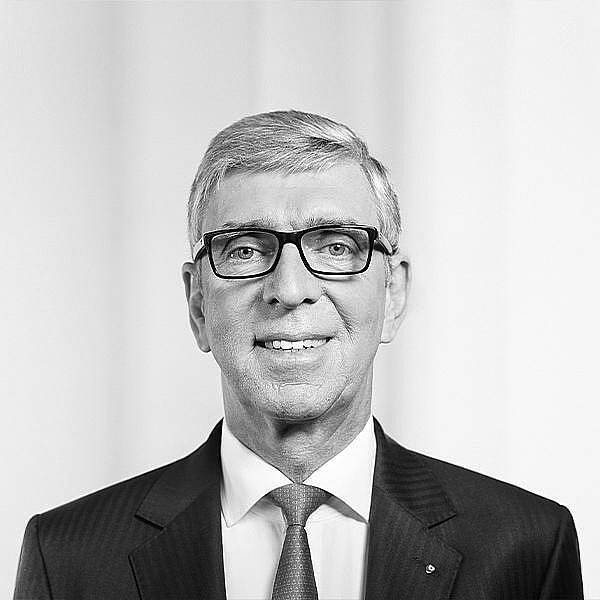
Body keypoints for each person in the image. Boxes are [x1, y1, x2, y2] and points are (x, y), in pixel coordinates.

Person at [14, 110, 583, 600]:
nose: (290, 289)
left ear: (392, 295)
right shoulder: (68, 557)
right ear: (197, 304)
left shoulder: (527, 547)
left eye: (336, 246)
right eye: (244, 250)